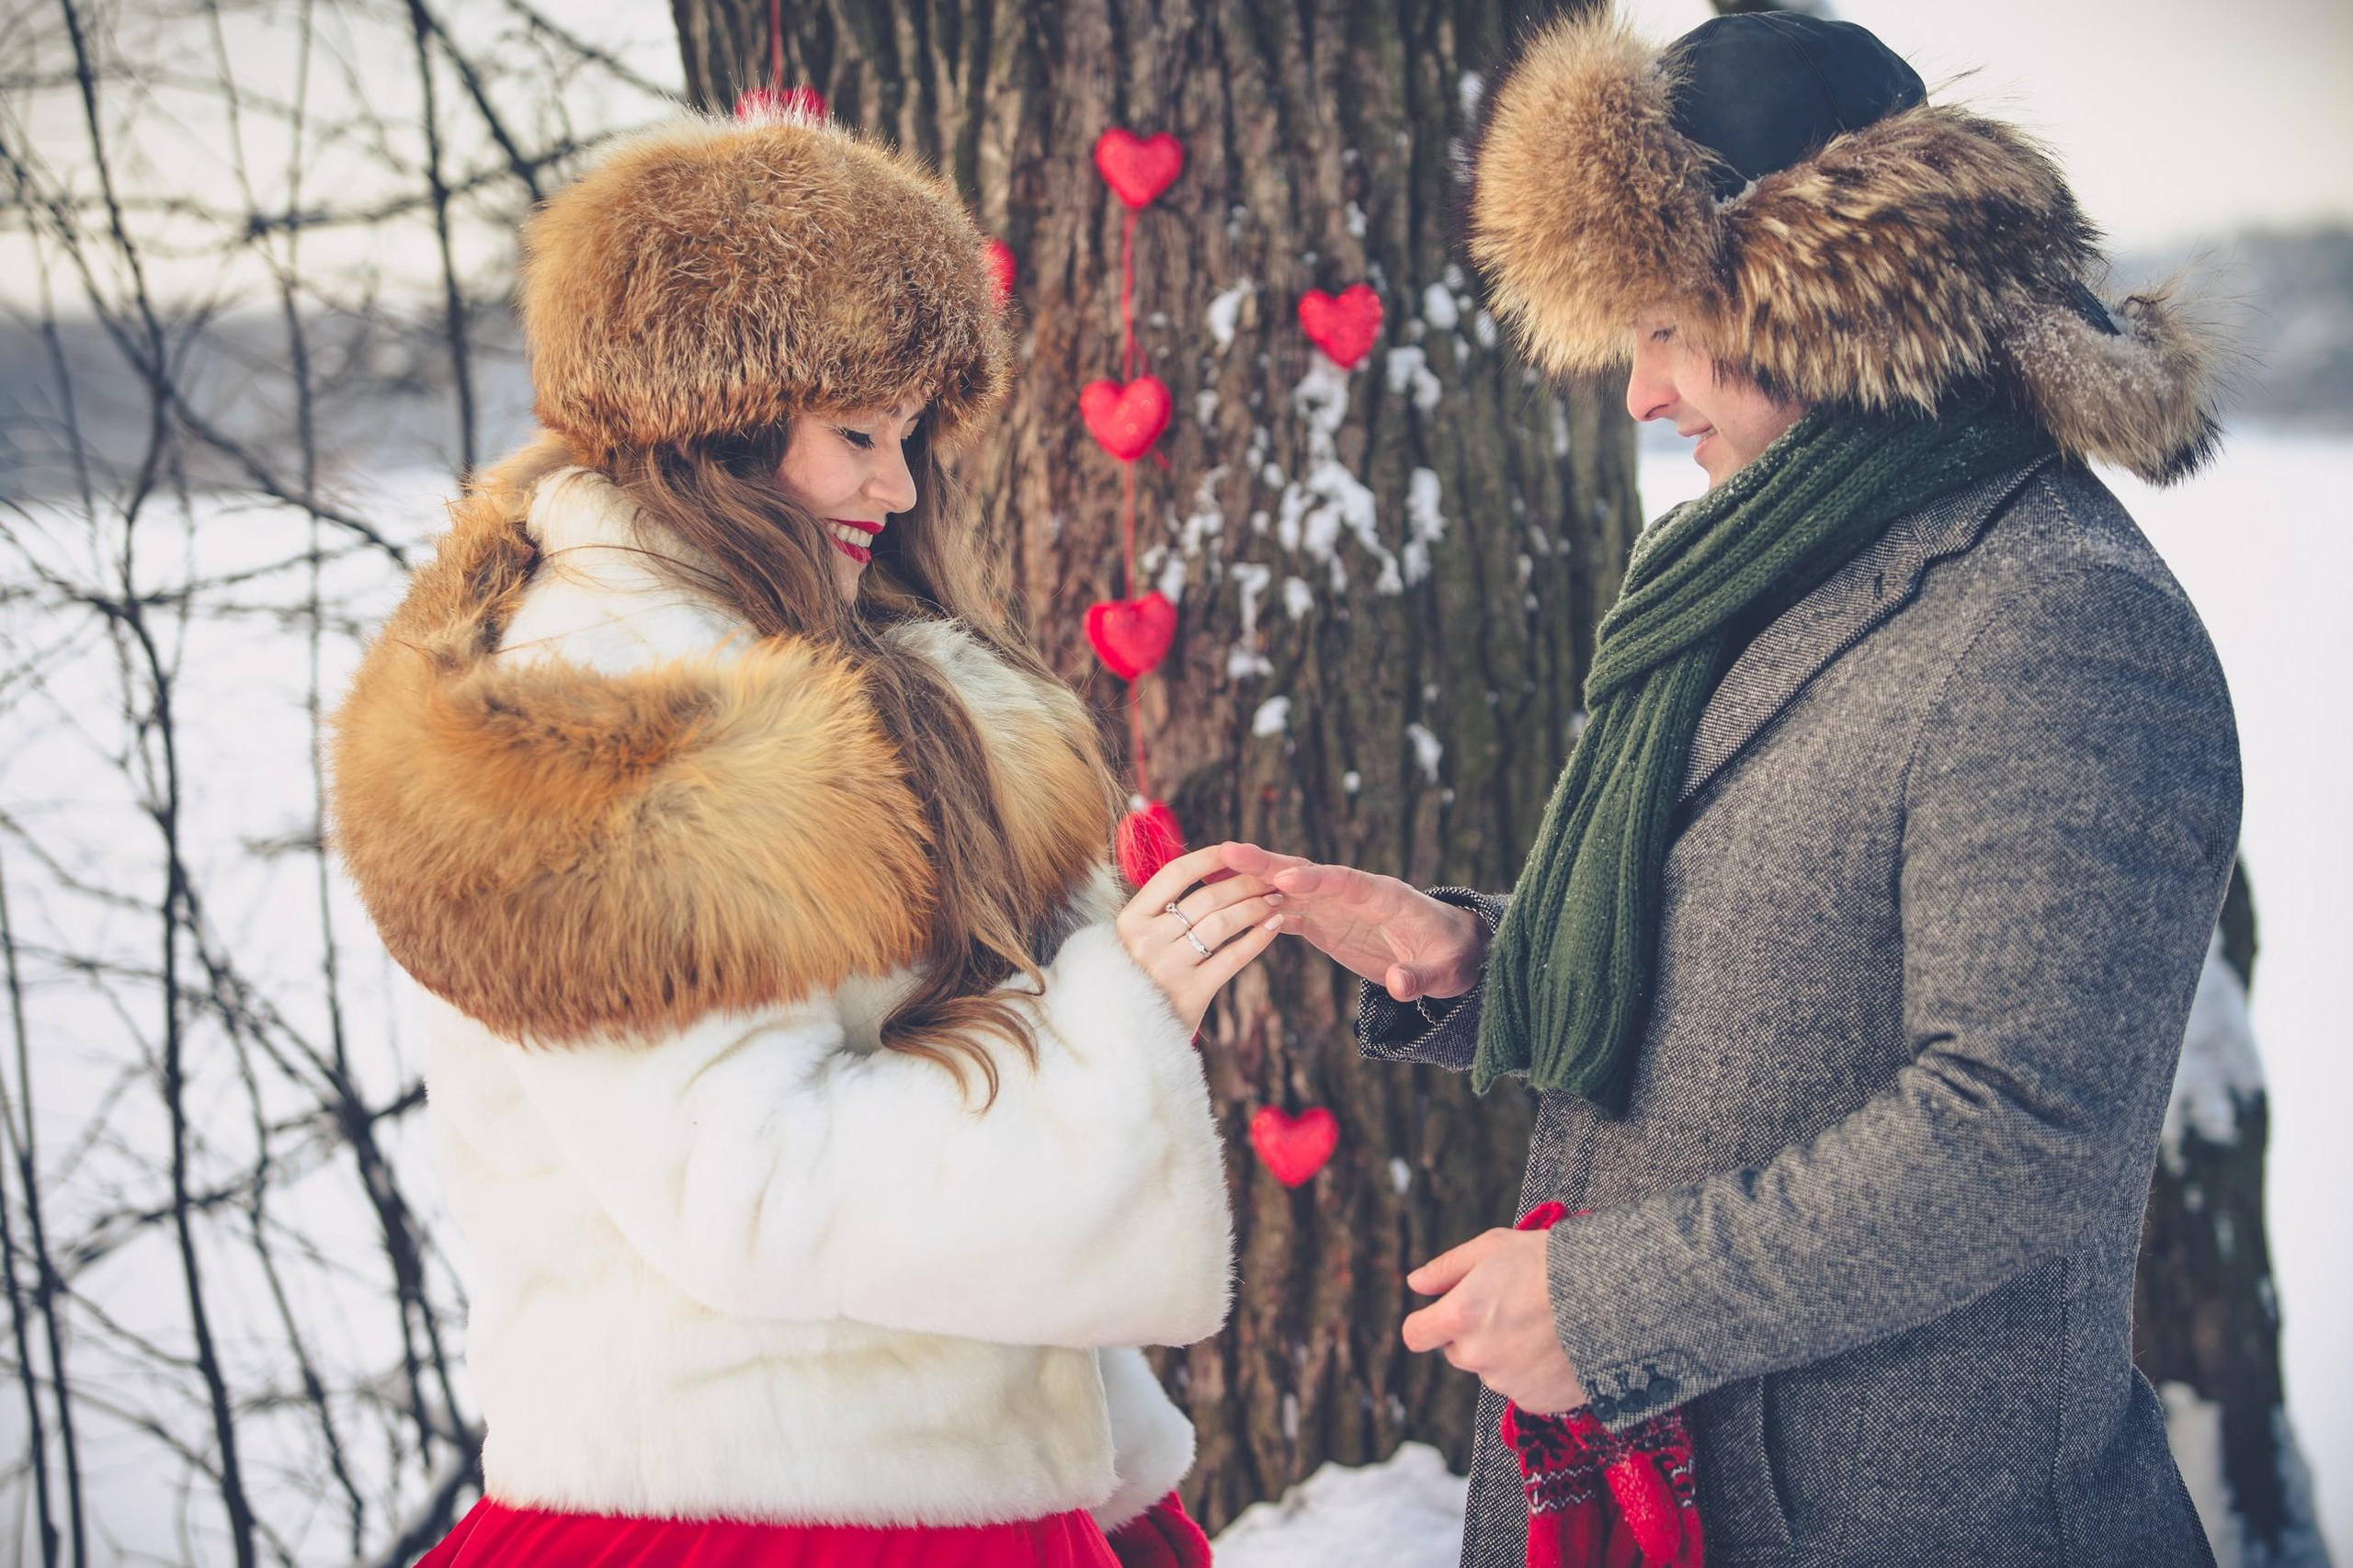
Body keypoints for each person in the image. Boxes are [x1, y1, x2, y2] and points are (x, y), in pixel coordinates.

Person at [1225, 8, 2238, 1566]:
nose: (1639, 394)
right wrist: (1481, 955)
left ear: (1819, 294)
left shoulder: (2056, 617)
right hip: (1700, 1495)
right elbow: (1768, 962)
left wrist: (1607, 1306)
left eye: (1663, 328)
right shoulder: (1783, 559)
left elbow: (2018, 1129)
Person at [329, 105, 1279, 1567]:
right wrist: (1116, 1024)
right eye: (857, 434)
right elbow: (750, 1186)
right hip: (752, 1520)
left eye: (907, 437)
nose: (896, 488)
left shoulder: (863, 672)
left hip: (945, 1491)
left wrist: (1108, 1466)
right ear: (715, 411)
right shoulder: (612, 721)